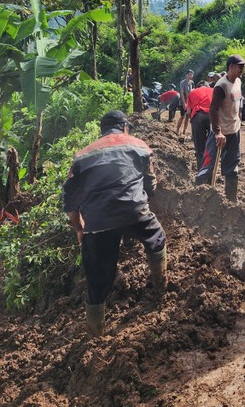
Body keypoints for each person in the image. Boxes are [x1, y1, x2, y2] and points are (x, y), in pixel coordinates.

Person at [62, 110, 167, 337]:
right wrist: (143, 199)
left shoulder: (82, 156)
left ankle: (95, 332)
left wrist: (79, 228)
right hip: (134, 211)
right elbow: (151, 183)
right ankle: (160, 289)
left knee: (97, 278)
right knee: (156, 239)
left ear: (101, 131)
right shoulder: (138, 145)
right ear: (125, 128)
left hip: (97, 223)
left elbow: (70, 199)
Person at [194, 54, 245, 202]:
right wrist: (217, 132)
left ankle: (231, 201)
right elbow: (213, 109)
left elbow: (237, 104)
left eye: (243, 66)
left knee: (232, 166)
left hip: (234, 130)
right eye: (240, 66)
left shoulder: (238, 82)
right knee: (209, 165)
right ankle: (197, 198)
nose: (242, 69)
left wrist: (238, 120)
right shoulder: (221, 85)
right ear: (231, 66)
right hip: (220, 133)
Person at [187, 80, 214, 170]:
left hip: (198, 116)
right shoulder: (214, 90)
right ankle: (210, 173)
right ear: (207, 86)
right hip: (212, 116)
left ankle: (200, 173)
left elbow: (188, 112)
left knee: (199, 149)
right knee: (212, 145)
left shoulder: (192, 92)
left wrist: (192, 122)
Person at [177, 69, 194, 136]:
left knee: (188, 117)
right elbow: (181, 93)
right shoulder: (182, 82)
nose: (190, 76)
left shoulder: (192, 82)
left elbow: (193, 92)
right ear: (186, 75)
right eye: (188, 74)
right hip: (183, 102)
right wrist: (184, 103)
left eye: (191, 74)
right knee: (182, 116)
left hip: (190, 103)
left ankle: (184, 131)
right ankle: (177, 130)